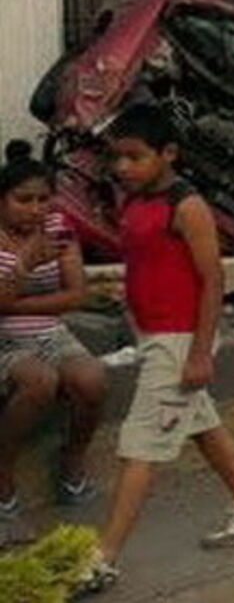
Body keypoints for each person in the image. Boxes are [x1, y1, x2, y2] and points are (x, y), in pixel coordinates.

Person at [79, 105, 234, 595]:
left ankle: (103, 558)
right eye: (117, 158)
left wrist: (200, 353)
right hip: (154, 337)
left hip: (179, 340)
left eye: (135, 157)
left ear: (168, 154)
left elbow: (213, 279)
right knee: (201, 424)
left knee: (139, 447)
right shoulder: (134, 201)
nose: (123, 167)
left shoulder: (187, 206)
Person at [0, 141, 105, 536]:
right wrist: (27, 262)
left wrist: (14, 302)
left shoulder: (60, 230)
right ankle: (3, 474)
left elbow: (76, 294)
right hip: (5, 342)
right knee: (39, 382)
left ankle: (72, 462)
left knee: (91, 378)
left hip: (50, 333)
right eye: (23, 199)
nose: (35, 208)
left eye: (43, 199)